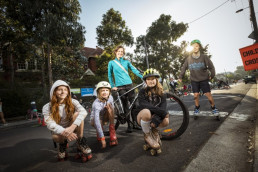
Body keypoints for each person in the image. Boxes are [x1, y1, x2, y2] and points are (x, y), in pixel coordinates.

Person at [42, 80, 92, 162]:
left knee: (78, 114)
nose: (63, 92)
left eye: (65, 89)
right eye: (59, 89)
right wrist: (65, 132)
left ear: (68, 91)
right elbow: (50, 124)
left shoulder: (73, 101)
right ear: (54, 91)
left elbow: (84, 112)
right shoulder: (47, 107)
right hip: (60, 131)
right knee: (55, 137)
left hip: (71, 126)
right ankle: (62, 145)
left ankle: (80, 142)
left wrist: (72, 128)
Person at [178, 39, 219, 117]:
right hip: (194, 80)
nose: (195, 48)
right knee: (195, 95)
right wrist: (180, 77)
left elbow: (211, 67)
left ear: (199, 47)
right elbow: (183, 68)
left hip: (203, 79)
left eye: (196, 46)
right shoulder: (188, 59)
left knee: (209, 96)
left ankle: (214, 108)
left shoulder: (204, 57)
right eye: (193, 46)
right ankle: (197, 108)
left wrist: (212, 75)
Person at [108, 45, 142, 133]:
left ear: (123, 53)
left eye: (122, 52)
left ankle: (135, 123)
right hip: (120, 87)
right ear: (115, 52)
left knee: (134, 104)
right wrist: (112, 85)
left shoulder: (126, 62)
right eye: (118, 51)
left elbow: (134, 70)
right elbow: (110, 75)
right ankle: (129, 125)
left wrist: (143, 77)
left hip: (129, 85)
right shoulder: (111, 63)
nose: (120, 53)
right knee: (125, 106)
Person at [136, 68, 169, 151]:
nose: (151, 81)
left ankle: (155, 131)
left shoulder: (162, 93)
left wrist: (157, 118)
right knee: (147, 112)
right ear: (145, 81)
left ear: (157, 80)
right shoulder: (142, 92)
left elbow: (163, 107)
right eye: (148, 79)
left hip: (155, 116)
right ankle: (147, 135)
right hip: (142, 117)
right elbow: (144, 105)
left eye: (153, 79)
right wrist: (161, 113)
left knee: (166, 120)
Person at [90, 81, 118, 149]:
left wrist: (109, 110)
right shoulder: (96, 104)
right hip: (96, 120)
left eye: (107, 90)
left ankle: (112, 133)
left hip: (105, 116)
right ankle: (100, 132)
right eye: (102, 90)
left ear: (109, 92)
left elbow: (113, 109)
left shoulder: (110, 97)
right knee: (98, 120)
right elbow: (96, 120)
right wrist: (102, 138)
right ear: (98, 92)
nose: (105, 92)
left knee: (111, 109)